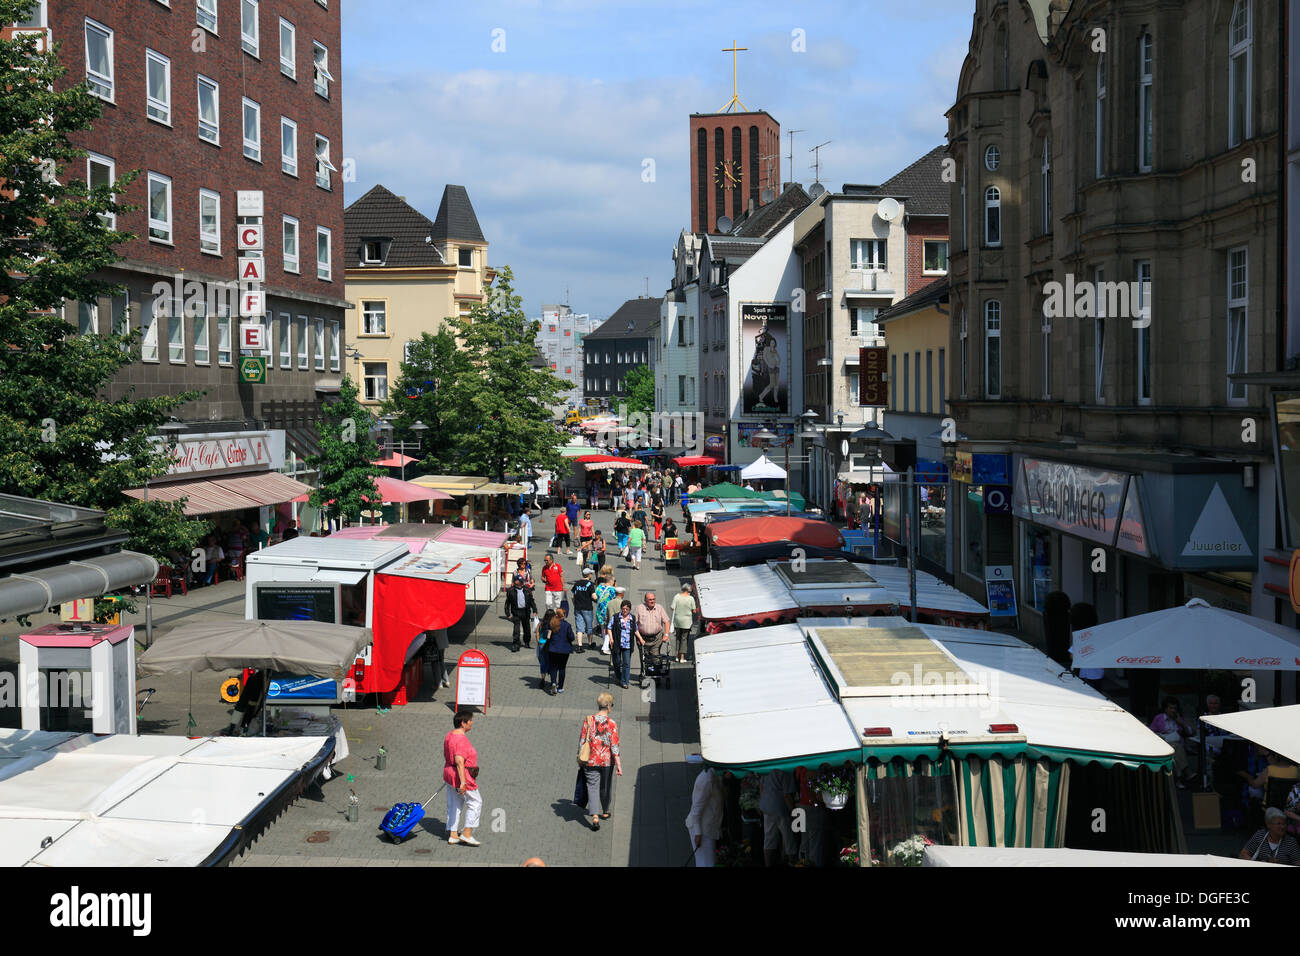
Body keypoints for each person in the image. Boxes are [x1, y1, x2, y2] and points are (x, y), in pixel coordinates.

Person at [577, 692, 622, 830]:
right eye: (611, 705)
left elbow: (582, 741)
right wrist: (619, 764)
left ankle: (595, 816)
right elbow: (614, 746)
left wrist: (580, 757)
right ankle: (605, 811)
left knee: (592, 786)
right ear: (608, 706)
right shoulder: (612, 724)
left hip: (590, 760)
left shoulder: (589, 720)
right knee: (605, 786)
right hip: (607, 761)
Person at [443, 709, 481, 846]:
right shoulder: (461, 740)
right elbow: (459, 761)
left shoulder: (449, 735)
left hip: (449, 773)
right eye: (470, 721)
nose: (472, 723)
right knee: (475, 802)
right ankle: (467, 832)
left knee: (454, 803)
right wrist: (463, 782)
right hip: (462, 775)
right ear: (463, 723)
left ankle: (453, 834)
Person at [1150, 696, 1196, 787]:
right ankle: (1187, 773)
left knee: (1175, 749)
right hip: (1163, 743)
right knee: (1175, 747)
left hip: (1176, 744)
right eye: (1170, 708)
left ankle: (1178, 780)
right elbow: (1151, 732)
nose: (1173, 710)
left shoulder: (1178, 718)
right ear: (1165, 708)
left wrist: (1181, 723)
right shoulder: (1159, 718)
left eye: (1175, 708)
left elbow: (1190, 732)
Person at [685, 765, 726, 867]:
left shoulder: (715, 776)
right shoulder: (707, 780)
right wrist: (698, 834)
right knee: (706, 863)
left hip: (709, 828)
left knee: (706, 862)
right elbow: (696, 810)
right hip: (703, 830)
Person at [759, 768, 798, 867]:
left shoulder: (767, 769)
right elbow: (787, 795)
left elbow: (761, 788)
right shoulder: (786, 771)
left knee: (769, 839)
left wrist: (762, 803)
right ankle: (792, 863)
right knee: (789, 838)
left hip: (767, 807)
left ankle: (768, 864)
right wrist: (794, 813)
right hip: (780, 808)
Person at [633, 591, 670, 685]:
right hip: (643, 639)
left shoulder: (659, 608)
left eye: (653, 599)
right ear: (645, 600)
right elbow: (634, 624)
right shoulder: (639, 608)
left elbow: (666, 621)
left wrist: (666, 634)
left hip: (656, 638)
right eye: (650, 599)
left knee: (655, 658)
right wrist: (638, 638)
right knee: (644, 658)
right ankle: (644, 675)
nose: (652, 601)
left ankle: (656, 676)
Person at [795, 766, 828, 867]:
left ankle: (802, 863)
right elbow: (812, 790)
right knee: (815, 842)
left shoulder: (799, 768)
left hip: (801, 806)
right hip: (811, 807)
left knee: (805, 841)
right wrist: (822, 804)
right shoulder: (811, 768)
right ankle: (814, 864)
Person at [545, 608, 575, 695]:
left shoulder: (551, 623)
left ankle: (553, 682)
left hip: (553, 649)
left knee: (553, 667)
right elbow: (572, 638)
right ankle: (560, 687)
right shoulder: (567, 625)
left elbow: (547, 635)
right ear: (564, 615)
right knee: (562, 668)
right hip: (564, 650)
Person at [508, 558, 536, 652]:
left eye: (524, 563)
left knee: (526, 626)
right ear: (519, 564)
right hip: (516, 600)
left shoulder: (528, 571)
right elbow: (512, 583)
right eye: (521, 563)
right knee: (516, 628)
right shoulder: (515, 572)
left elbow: (532, 580)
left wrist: (532, 584)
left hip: (527, 593)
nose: (523, 565)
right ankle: (515, 643)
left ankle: (526, 641)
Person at [670, 582, 698, 663]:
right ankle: (682, 658)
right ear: (689, 590)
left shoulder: (677, 596)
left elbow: (672, 608)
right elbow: (694, 610)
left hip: (677, 621)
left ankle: (676, 656)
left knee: (678, 638)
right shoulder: (691, 598)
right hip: (686, 622)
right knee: (684, 639)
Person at [611, 600, 636, 688]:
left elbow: (635, 630)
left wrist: (640, 638)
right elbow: (609, 628)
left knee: (626, 663)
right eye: (623, 608)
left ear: (629, 610)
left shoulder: (632, 618)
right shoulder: (616, 617)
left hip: (628, 645)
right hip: (617, 643)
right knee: (616, 662)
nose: (625, 610)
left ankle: (625, 681)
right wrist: (611, 638)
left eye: (627, 609)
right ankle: (619, 677)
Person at [570, 567, 596, 650]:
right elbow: (593, 596)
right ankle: (590, 643)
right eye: (591, 573)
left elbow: (572, 597)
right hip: (587, 608)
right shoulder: (590, 584)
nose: (591, 575)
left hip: (578, 608)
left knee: (579, 627)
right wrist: (597, 599)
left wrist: (575, 604)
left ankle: (579, 645)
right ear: (588, 575)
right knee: (589, 626)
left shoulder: (577, 584)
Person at [594, 569, 618, 656]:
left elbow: (595, 597)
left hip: (599, 611)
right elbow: (616, 598)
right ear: (611, 581)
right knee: (609, 629)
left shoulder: (599, 587)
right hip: (608, 611)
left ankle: (605, 644)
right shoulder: (612, 589)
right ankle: (605, 647)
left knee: (603, 629)